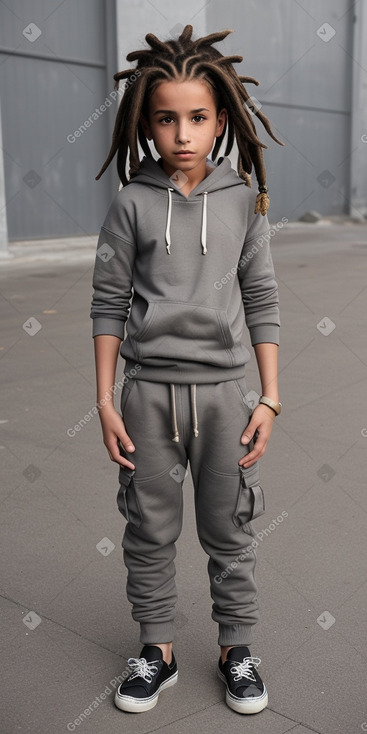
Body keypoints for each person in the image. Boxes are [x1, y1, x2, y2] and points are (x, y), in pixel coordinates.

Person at [90, 24, 283, 716]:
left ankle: (236, 648)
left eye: (196, 117)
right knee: (148, 526)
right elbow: (108, 303)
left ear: (220, 119)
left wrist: (268, 399)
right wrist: (106, 401)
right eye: (165, 117)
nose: (181, 133)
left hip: (226, 399)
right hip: (145, 399)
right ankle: (156, 650)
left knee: (229, 526)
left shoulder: (242, 201)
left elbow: (261, 298)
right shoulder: (132, 203)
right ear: (145, 120)